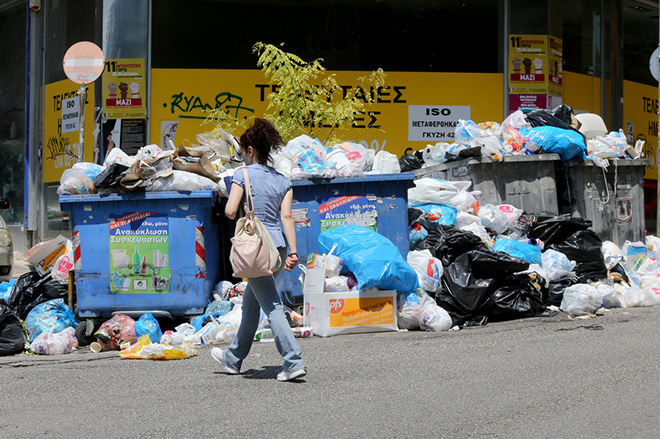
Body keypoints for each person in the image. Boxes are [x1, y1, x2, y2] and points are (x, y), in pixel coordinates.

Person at [211, 118, 306, 382]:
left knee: (272, 305)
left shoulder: (241, 175)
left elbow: (230, 211)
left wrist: (237, 203)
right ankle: (233, 358)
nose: (242, 157)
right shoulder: (283, 180)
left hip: (255, 248)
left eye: (242, 152)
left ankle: (293, 361)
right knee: (253, 305)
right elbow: (287, 218)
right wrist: (294, 253)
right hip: (278, 249)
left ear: (250, 150)